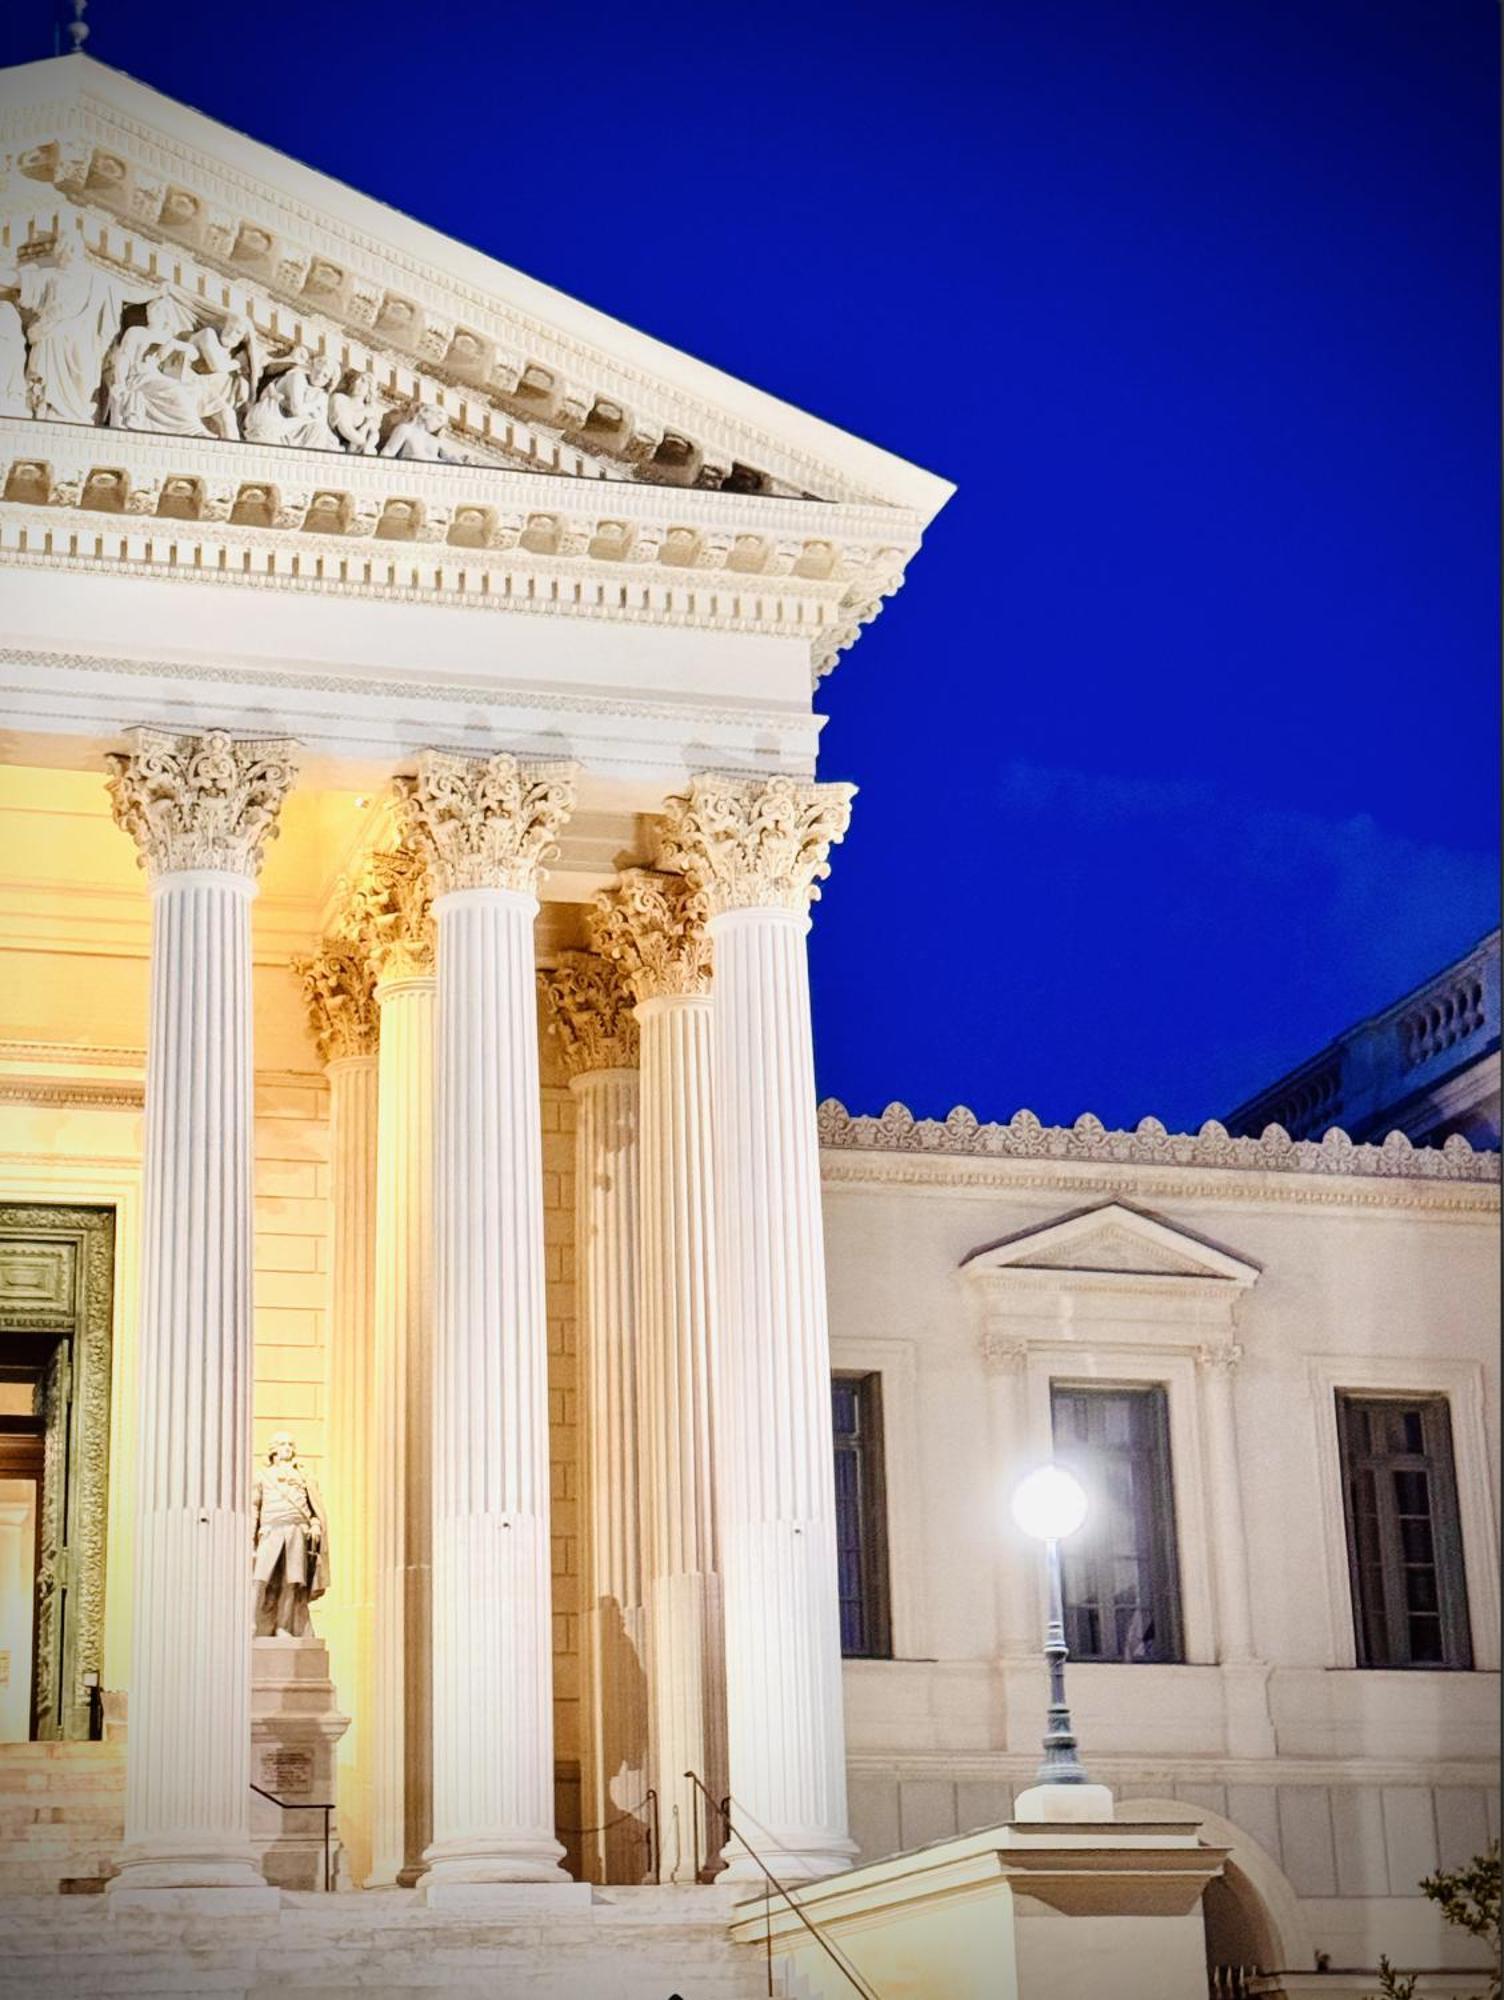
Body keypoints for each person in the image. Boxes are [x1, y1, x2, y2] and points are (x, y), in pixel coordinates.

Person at [251, 1433, 329, 1639]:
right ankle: (251, 1621)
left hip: (297, 1530)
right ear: (274, 1449)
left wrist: (315, 1524)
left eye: (291, 1444)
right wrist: (250, 1540)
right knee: (260, 1578)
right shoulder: (262, 1475)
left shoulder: (304, 1477)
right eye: (284, 1444)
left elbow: (313, 1509)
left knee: (292, 1581)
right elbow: (253, 1508)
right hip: (271, 1530)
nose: (289, 1448)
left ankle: (283, 1626)